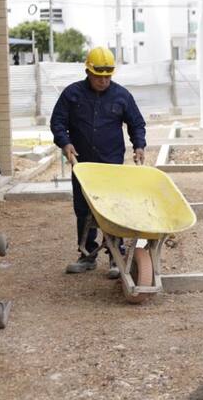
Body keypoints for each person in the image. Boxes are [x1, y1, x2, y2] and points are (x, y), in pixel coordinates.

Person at [50, 47, 147, 276]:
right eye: (98, 76)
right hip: (82, 166)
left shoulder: (122, 96)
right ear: (88, 71)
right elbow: (57, 122)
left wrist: (139, 145)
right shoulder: (72, 95)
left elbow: (137, 124)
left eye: (107, 76)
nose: (103, 81)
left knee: (114, 208)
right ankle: (87, 255)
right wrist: (65, 143)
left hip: (111, 166)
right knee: (83, 210)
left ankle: (116, 256)